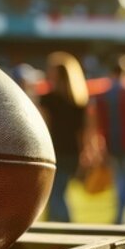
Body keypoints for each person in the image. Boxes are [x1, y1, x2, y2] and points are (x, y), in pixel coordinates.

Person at [38, 52, 90, 222]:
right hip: (72, 154)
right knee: (59, 193)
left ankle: (65, 227)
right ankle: (59, 226)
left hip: (54, 153)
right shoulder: (78, 102)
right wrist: (84, 155)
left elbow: (43, 128)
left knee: (55, 195)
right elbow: (82, 133)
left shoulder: (48, 100)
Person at [93, 54, 125, 225]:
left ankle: (120, 214)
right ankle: (122, 216)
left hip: (111, 144)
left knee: (118, 181)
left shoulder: (102, 96)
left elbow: (97, 123)